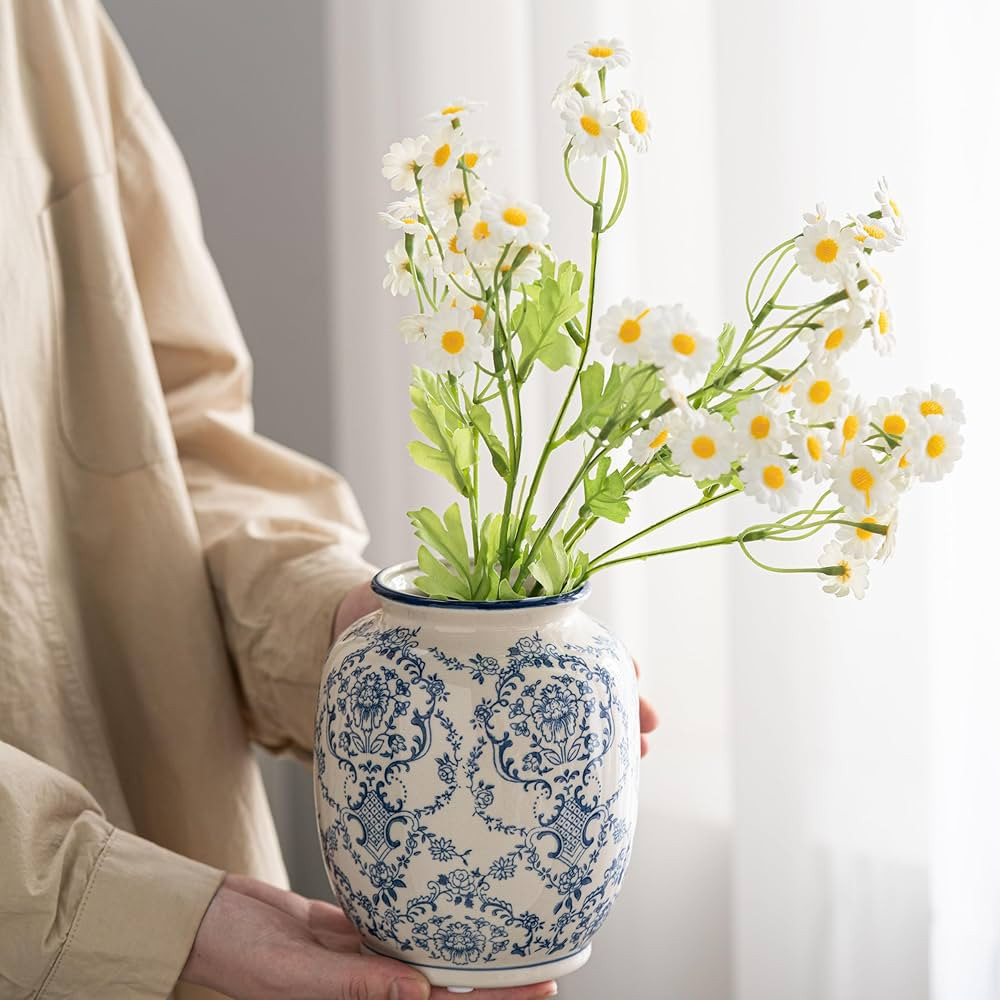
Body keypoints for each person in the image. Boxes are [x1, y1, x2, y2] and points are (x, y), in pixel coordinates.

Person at [0, 2, 659, 999]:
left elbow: (172, 428)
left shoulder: (40, 24)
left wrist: (346, 630)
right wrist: (112, 913)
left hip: (184, 874)